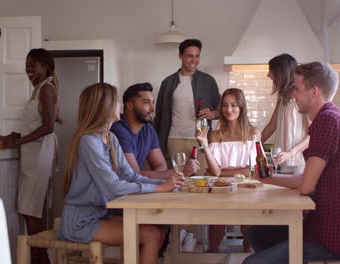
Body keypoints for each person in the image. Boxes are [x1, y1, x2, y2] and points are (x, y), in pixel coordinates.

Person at [243, 62, 340, 264]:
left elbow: (307, 185)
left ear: (314, 92)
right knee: (258, 234)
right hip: (326, 227)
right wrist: (269, 177)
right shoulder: (331, 118)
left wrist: (270, 179)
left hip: (333, 239)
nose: (293, 95)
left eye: (298, 89)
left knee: (251, 263)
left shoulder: (327, 122)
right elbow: (309, 179)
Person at [57, 83, 184, 264]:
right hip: (80, 222)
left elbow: (130, 175)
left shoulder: (110, 138)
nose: (119, 105)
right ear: (104, 106)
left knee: (156, 231)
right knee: (152, 235)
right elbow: (113, 187)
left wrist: (163, 185)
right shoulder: (89, 142)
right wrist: (160, 188)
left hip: (98, 215)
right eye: (116, 101)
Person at [0, 48, 62, 264]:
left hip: (39, 155)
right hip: (33, 154)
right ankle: (39, 257)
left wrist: (19, 141)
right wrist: (15, 135)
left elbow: (49, 126)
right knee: (29, 209)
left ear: (45, 67)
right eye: (27, 65)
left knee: (31, 210)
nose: (28, 69)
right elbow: (36, 124)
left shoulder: (47, 89)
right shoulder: (38, 90)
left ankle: (40, 258)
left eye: (32, 65)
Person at [195, 88, 260, 253]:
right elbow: (213, 172)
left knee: (248, 221)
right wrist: (203, 143)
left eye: (233, 105)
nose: (228, 110)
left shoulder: (253, 132)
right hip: (221, 187)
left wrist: (221, 172)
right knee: (218, 221)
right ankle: (211, 254)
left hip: (246, 187)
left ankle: (248, 254)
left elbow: (250, 171)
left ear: (241, 107)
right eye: (224, 105)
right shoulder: (215, 135)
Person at [154, 38, 221, 173]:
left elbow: (221, 110)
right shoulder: (167, 83)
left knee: (201, 180)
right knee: (178, 180)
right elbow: (159, 116)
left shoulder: (208, 81)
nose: (194, 60)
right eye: (190, 56)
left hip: (201, 141)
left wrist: (212, 113)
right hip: (174, 139)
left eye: (197, 56)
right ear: (180, 55)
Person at [111, 82, 199, 179]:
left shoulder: (148, 129)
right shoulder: (118, 130)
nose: (152, 108)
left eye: (152, 102)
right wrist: (179, 171)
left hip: (137, 188)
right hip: (118, 191)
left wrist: (160, 178)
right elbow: (133, 175)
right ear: (130, 106)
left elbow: (160, 166)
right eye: (146, 102)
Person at [261, 54, 310, 174]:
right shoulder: (282, 96)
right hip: (282, 159)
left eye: (271, 71)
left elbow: (311, 135)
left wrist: (291, 153)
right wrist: (253, 145)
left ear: (281, 72)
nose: (268, 74)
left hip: (299, 161)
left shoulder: (303, 95)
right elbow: (271, 126)